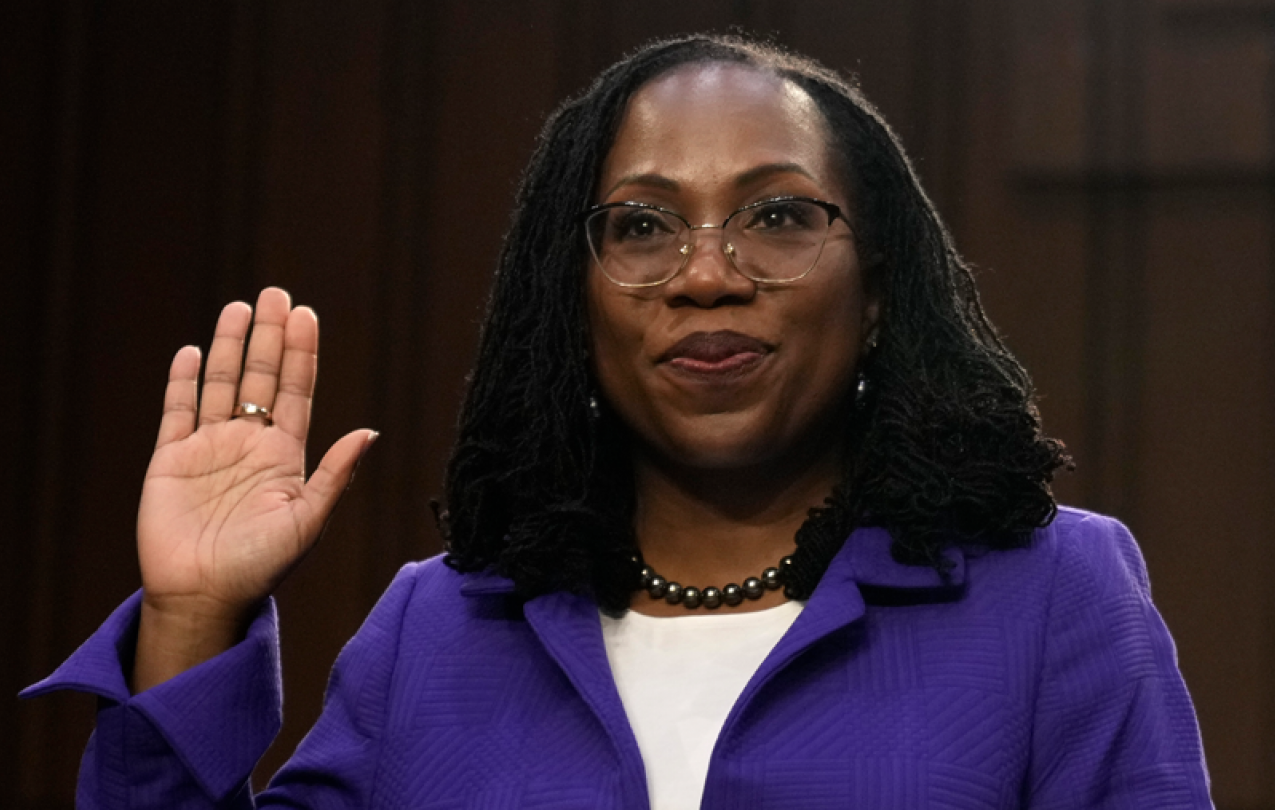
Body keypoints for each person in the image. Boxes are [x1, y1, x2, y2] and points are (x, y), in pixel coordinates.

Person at [24, 34, 1211, 809]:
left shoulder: (1054, 594)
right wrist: (191, 619)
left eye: (779, 216)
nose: (705, 274)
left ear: (882, 288)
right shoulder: (432, 631)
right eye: (641, 226)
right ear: (573, 300)